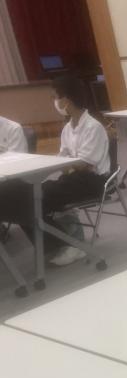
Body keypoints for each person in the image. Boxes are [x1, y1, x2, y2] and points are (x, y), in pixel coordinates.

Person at [0, 75, 110, 265]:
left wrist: (63, 164)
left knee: (33, 199)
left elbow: (85, 164)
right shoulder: (68, 127)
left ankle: (71, 246)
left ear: (66, 99)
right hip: (74, 177)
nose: (55, 102)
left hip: (93, 180)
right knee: (25, 197)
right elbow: (64, 159)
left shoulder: (93, 127)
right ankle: (58, 245)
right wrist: (61, 164)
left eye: (55, 97)